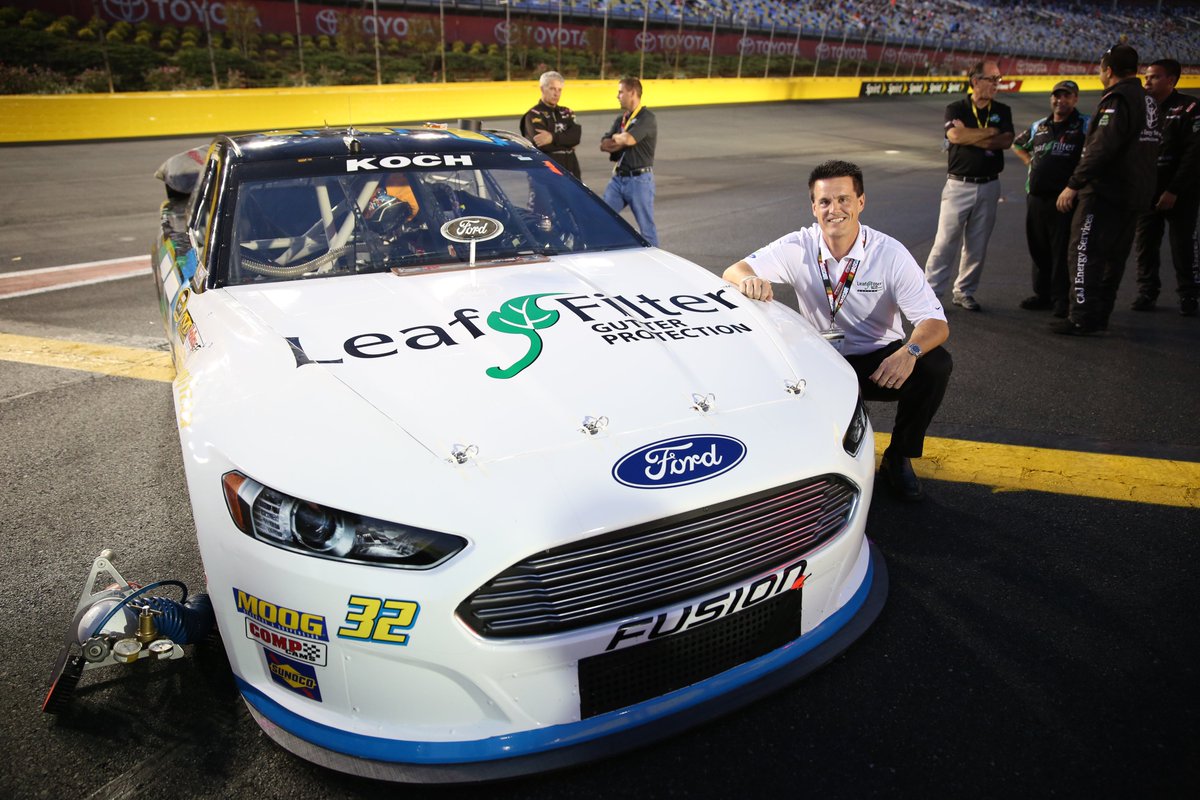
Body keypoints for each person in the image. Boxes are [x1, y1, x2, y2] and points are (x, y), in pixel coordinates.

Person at [723, 160, 951, 502]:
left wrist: (910, 352)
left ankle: (899, 455)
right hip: (819, 360)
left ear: (861, 202)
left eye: (844, 199)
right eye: (825, 202)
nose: (835, 210)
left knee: (936, 365)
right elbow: (734, 270)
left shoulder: (889, 254)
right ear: (814, 207)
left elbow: (936, 323)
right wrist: (750, 279)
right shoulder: (798, 246)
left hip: (878, 363)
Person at [1054, 44, 1162, 335]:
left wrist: (1073, 184)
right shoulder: (1148, 99)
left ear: (1109, 71)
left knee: (1084, 252)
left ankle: (1080, 317)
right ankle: (1100, 314)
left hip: (1106, 192)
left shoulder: (1117, 98)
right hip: (1137, 191)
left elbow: (1102, 148)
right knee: (1115, 256)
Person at [923, 60, 1015, 312]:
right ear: (976, 81)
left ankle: (964, 292)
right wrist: (989, 132)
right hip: (958, 185)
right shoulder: (956, 108)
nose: (997, 84)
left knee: (977, 244)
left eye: (998, 79)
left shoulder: (1002, 110)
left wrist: (972, 135)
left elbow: (1006, 141)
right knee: (944, 242)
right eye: (992, 79)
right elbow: (954, 136)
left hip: (989, 186)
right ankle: (930, 294)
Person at [1012, 80, 1090, 317]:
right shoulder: (1040, 126)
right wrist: (1030, 162)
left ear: (1075, 99)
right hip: (1035, 197)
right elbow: (1017, 143)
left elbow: (1093, 156)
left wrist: (1074, 187)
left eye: (1066, 96)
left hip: (1065, 199)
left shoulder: (1085, 124)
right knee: (1039, 248)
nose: (1060, 100)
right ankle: (1042, 294)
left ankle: (1060, 299)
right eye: (1057, 96)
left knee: (1061, 251)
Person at [1131, 58, 1200, 317]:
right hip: (1147, 190)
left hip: (1181, 191)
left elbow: (1194, 155)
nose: (1147, 81)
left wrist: (1173, 190)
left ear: (1171, 80)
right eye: (1146, 77)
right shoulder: (1142, 108)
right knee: (1145, 244)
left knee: (1183, 243)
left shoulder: (1190, 107)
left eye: (1154, 77)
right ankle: (1147, 291)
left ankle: (1189, 293)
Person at [600, 77, 659, 246]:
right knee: (601, 217)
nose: (617, 96)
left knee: (646, 228)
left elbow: (629, 139)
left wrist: (617, 138)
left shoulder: (647, 118)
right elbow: (604, 144)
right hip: (618, 179)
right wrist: (617, 139)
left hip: (639, 180)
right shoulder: (621, 119)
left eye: (620, 92)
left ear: (632, 93)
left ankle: (655, 265)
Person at [520, 71, 582, 180]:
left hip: (571, 172)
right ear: (542, 89)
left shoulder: (567, 112)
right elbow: (541, 144)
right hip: (545, 176)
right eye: (552, 89)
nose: (556, 93)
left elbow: (576, 137)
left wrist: (552, 137)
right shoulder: (532, 115)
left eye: (559, 90)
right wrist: (566, 142)